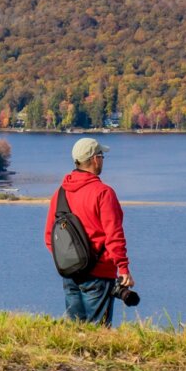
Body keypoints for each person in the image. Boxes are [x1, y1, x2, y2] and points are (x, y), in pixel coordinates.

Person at [43, 138, 135, 326]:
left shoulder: (60, 193)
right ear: (95, 159)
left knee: (76, 331)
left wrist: (70, 261)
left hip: (70, 274)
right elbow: (114, 236)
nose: (102, 160)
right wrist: (123, 268)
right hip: (99, 275)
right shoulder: (103, 193)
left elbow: (49, 237)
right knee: (98, 334)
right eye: (102, 156)